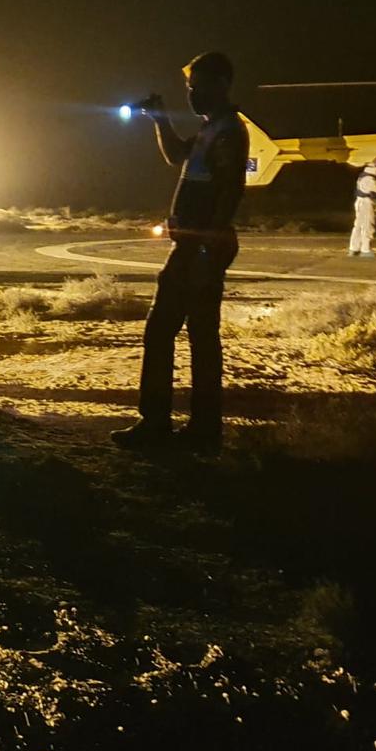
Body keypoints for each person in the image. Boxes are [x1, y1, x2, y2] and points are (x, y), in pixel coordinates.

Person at [110, 51, 247, 455]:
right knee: (199, 336)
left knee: (165, 331)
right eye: (189, 87)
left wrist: (207, 248)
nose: (192, 94)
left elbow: (230, 191)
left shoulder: (228, 132)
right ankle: (202, 430)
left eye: (197, 86)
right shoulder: (211, 129)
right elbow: (176, 156)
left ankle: (159, 425)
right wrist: (160, 119)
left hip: (199, 248)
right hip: (196, 246)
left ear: (220, 84)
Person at [348, 159, 376, 257]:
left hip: (362, 202)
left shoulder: (364, 177)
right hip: (366, 203)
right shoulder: (369, 179)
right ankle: (365, 249)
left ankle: (354, 248)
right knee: (367, 226)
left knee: (358, 226)